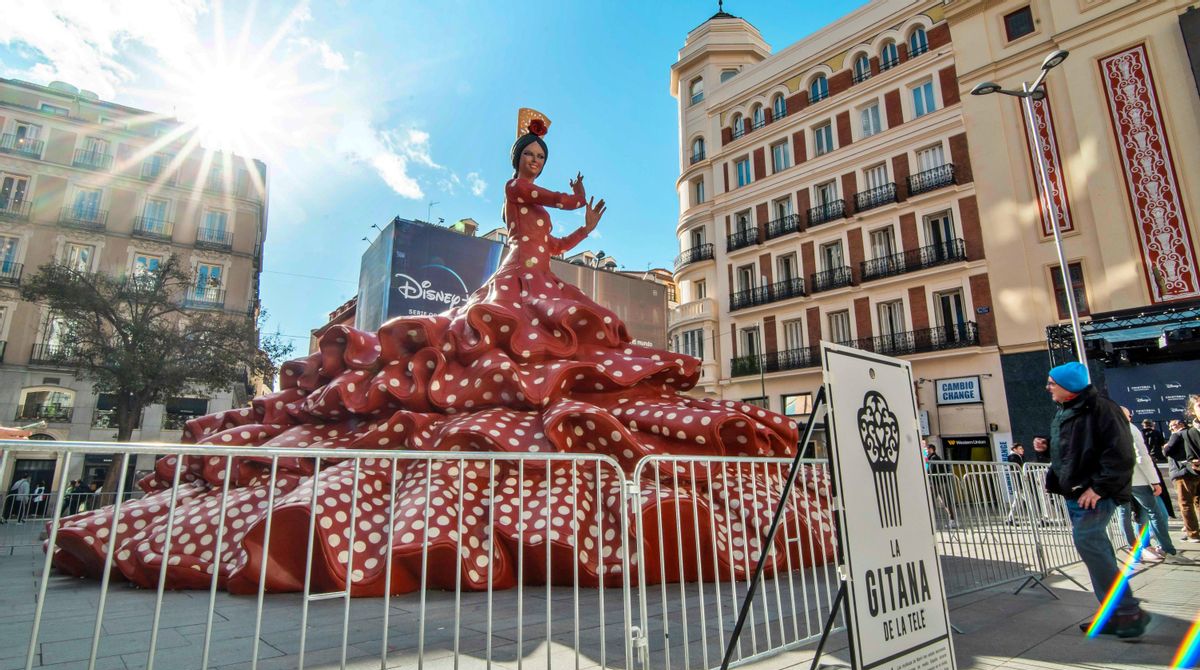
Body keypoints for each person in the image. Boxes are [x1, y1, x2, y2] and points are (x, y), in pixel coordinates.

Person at [46, 110, 828, 597]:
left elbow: (563, 235)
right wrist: (560, 194)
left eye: (537, 161)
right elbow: (538, 210)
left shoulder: (542, 212)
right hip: (513, 282)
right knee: (500, 357)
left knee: (565, 356)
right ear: (519, 165)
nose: (532, 168)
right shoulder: (519, 193)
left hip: (537, 272)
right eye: (528, 160)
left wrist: (585, 218)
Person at [1044, 361, 1149, 638]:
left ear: (1068, 386)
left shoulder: (1102, 408)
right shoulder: (1067, 410)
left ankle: (1127, 612)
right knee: (1095, 548)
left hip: (1093, 495)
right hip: (1078, 493)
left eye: (1052, 383)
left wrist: (1099, 488)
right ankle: (1114, 613)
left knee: (1089, 542)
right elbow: (1074, 451)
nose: (1048, 387)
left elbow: (1121, 454)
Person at [1117, 407, 1188, 564]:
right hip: (1139, 479)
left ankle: (1134, 550)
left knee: (1125, 514)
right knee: (1155, 513)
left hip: (1119, 481)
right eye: (1130, 415)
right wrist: (1154, 481)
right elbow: (1141, 455)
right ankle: (1167, 550)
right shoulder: (1130, 428)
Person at [1164, 404, 1200, 544]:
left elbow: (1167, 452)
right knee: (1197, 502)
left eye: (1172, 426)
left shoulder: (1177, 434)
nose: (1170, 429)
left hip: (1182, 473)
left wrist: (1166, 446)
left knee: (1185, 504)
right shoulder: (1193, 432)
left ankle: (1193, 533)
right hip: (1195, 471)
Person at [925, 442, 957, 527]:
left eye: (927, 449)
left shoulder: (934, 458)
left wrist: (927, 476)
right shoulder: (933, 457)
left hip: (938, 483)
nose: (926, 451)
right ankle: (952, 520)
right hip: (939, 483)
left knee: (935, 501)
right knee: (942, 501)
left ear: (931, 449)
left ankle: (952, 520)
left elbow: (930, 471)